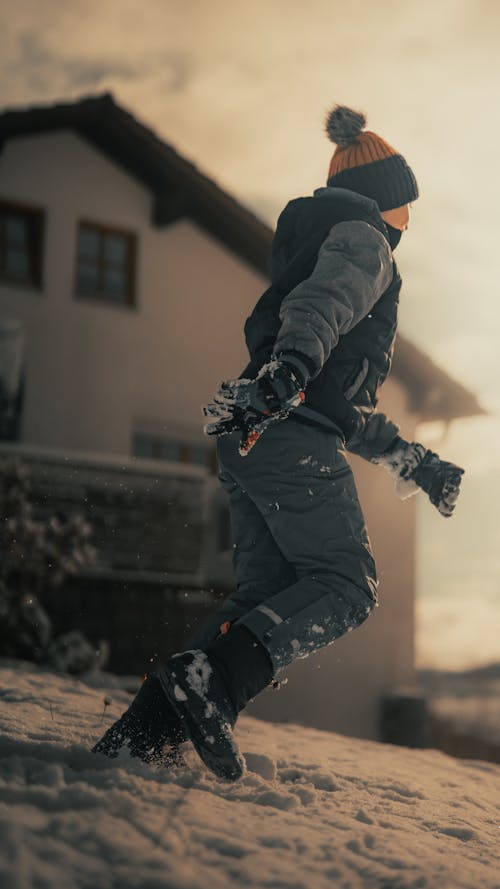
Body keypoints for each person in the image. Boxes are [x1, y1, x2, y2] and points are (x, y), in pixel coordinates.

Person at [92, 105, 464, 781]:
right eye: (403, 211)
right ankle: (213, 686)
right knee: (347, 584)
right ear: (382, 202)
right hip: (286, 430)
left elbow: (343, 409)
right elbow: (320, 309)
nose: (401, 228)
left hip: (256, 431)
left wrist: (416, 461)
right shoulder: (362, 240)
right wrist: (291, 370)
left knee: (259, 595)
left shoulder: (311, 243)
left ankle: (146, 731)